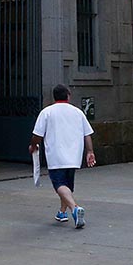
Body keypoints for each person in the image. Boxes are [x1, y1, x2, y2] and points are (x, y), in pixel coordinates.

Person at [29, 84, 95, 228]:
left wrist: (33, 146)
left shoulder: (47, 112)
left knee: (59, 184)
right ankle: (62, 212)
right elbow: (87, 134)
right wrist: (90, 151)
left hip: (56, 154)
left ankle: (74, 208)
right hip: (74, 155)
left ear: (54, 96)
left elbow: (37, 134)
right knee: (67, 186)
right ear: (68, 95)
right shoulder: (78, 112)